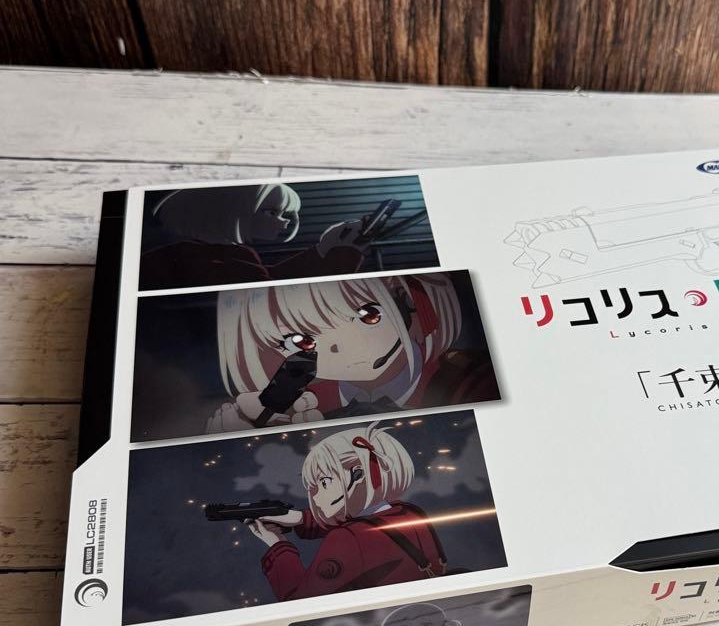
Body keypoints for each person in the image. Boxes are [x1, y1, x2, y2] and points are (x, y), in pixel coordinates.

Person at [206, 272, 498, 433]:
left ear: (407, 303)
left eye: (368, 315)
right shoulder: (308, 405)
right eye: (302, 340)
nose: (337, 346)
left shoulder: (472, 381)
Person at [245, 426, 446, 601]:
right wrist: (299, 519)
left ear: (357, 474)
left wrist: (277, 544)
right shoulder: (409, 512)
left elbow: (300, 601)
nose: (315, 496)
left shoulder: (346, 538)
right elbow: (369, 529)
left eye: (324, 482)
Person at [139, 181, 378, 290]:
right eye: (272, 212)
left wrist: (322, 250)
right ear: (231, 211)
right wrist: (344, 255)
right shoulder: (218, 259)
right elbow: (270, 295)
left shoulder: (211, 251)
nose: (285, 221)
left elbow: (267, 278)